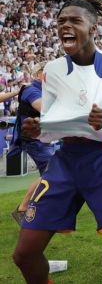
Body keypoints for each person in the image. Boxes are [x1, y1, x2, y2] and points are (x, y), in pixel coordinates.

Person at [12, 0, 102, 283]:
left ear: (93, 27)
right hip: (65, 160)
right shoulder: (53, 70)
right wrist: (38, 130)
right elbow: (52, 126)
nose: (65, 25)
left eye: (75, 20)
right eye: (61, 21)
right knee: (24, 255)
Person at [10, 62, 56, 224]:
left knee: (51, 173)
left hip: (40, 138)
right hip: (33, 139)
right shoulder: (31, 90)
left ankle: (29, 208)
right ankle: (23, 208)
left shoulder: (43, 90)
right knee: (51, 173)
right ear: (38, 75)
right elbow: (44, 108)